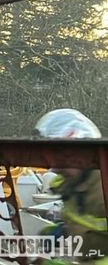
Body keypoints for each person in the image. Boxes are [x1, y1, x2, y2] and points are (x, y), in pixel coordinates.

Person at [32, 109, 108, 265]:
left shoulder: (102, 188)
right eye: (50, 157)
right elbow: (91, 230)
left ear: (85, 153)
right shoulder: (74, 185)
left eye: (61, 157)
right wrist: (62, 232)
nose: (54, 168)